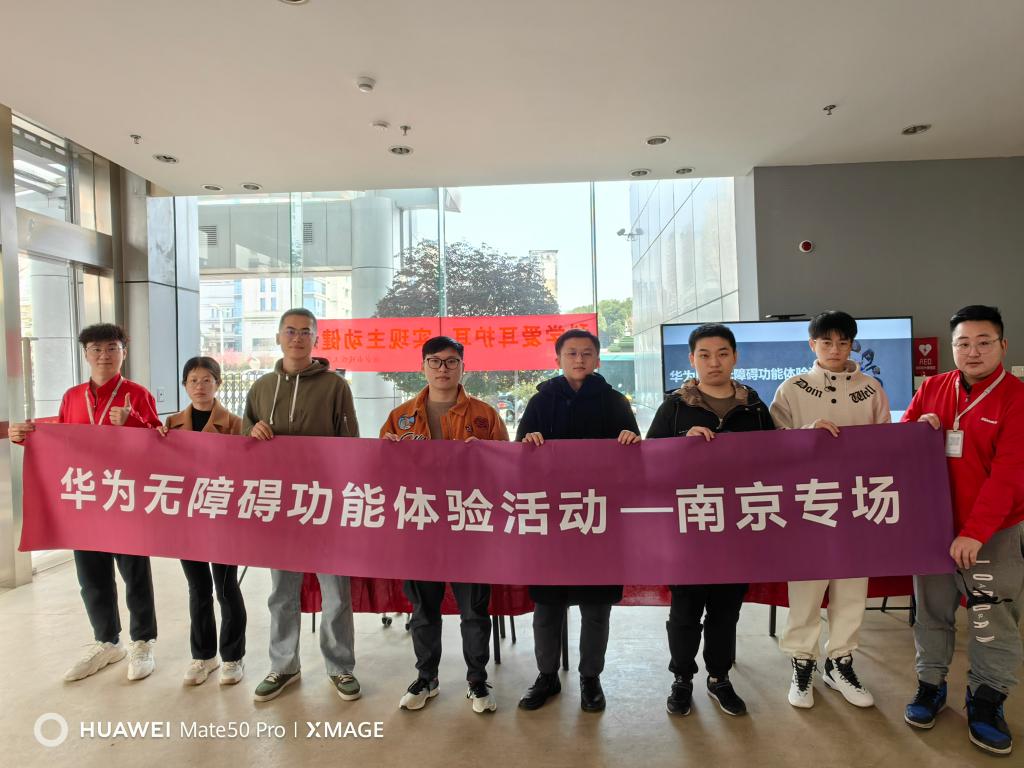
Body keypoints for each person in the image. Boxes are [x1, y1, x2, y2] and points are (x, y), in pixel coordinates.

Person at [902, 305, 1024, 756]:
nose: (972, 352)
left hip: (992, 532)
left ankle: (986, 699)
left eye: (983, 342)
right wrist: (918, 429)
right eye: (963, 343)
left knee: (992, 616)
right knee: (931, 612)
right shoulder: (933, 387)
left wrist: (975, 531)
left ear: (1002, 346)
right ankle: (930, 685)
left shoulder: (1016, 398)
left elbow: (1010, 474)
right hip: (934, 526)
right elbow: (902, 441)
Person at [9, 323, 162, 682]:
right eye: (96, 349)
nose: (104, 355)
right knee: (91, 576)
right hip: (86, 499)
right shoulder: (72, 396)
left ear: (124, 352)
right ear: (86, 355)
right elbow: (61, 440)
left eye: (112, 348)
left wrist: (132, 422)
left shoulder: (137, 395)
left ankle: (142, 642)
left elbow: (160, 444)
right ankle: (107, 641)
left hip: (125, 498)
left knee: (135, 574)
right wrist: (25, 436)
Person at [646, 323, 775, 717]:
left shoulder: (755, 407)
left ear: (735, 357)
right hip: (688, 526)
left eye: (722, 353)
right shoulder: (674, 407)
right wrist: (680, 446)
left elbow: (777, 459)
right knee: (685, 610)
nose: (713, 362)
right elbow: (648, 462)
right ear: (692, 360)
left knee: (725, 610)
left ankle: (719, 678)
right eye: (704, 355)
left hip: (737, 527)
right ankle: (682, 678)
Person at [380, 336, 509, 714]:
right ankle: (427, 678)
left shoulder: (484, 415)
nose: (443, 369)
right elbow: (382, 473)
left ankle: (477, 681)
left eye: (451, 361)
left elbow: (508, 468)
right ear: (422, 367)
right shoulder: (401, 416)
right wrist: (387, 450)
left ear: (463, 367)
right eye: (435, 361)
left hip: (469, 524)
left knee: (474, 610)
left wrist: (485, 458)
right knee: (423, 609)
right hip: (420, 525)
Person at [515, 329, 640, 713]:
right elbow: (519, 458)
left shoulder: (615, 402)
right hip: (551, 522)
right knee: (547, 607)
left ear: (598, 360)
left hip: (599, 521)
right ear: (558, 359)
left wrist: (629, 440)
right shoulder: (541, 401)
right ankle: (546, 676)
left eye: (587, 353)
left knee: (596, 607)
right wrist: (528, 443)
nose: (579, 359)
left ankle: (591, 677)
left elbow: (636, 460)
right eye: (571, 353)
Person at [770, 311, 890, 710]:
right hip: (808, 503)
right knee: (806, 586)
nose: (835, 350)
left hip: (857, 502)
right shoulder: (792, 388)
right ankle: (802, 661)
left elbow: (886, 445)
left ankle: (840, 660)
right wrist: (806, 436)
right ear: (812, 345)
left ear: (852, 344)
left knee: (852, 586)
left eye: (842, 342)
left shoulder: (871, 389)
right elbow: (771, 445)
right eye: (826, 342)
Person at [243, 308, 362, 703]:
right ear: (278, 337)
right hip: (279, 505)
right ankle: (283, 666)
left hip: (325, 504)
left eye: (305, 332)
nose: (297, 338)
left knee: (336, 592)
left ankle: (340, 667)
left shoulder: (335, 386)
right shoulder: (261, 387)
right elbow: (242, 440)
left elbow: (350, 444)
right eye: (290, 331)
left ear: (316, 339)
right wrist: (252, 430)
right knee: (282, 592)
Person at [161, 356, 247, 686]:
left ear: (218, 384)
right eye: (193, 380)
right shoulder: (170, 424)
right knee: (198, 589)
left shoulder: (236, 424)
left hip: (223, 518)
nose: (200, 386)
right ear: (184, 385)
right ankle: (203, 657)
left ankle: (233, 657)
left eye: (207, 380)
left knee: (226, 588)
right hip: (188, 519)